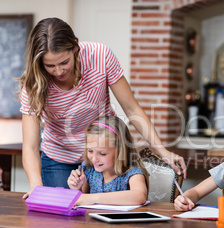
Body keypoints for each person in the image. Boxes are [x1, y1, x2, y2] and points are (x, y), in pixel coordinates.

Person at [17, 17, 186, 199]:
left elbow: (132, 109)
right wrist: (36, 186)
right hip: (59, 158)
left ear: (75, 46)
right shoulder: (33, 83)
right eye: (50, 65)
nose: (58, 72)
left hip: (104, 153)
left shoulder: (100, 55)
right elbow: (31, 148)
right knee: (61, 219)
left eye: (64, 62)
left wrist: (163, 151)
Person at [67, 116, 148, 205]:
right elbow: (83, 201)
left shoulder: (132, 172)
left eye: (102, 153)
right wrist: (76, 189)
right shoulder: (88, 169)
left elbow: (139, 196)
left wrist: (93, 198)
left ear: (120, 151)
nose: (94, 159)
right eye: (90, 151)